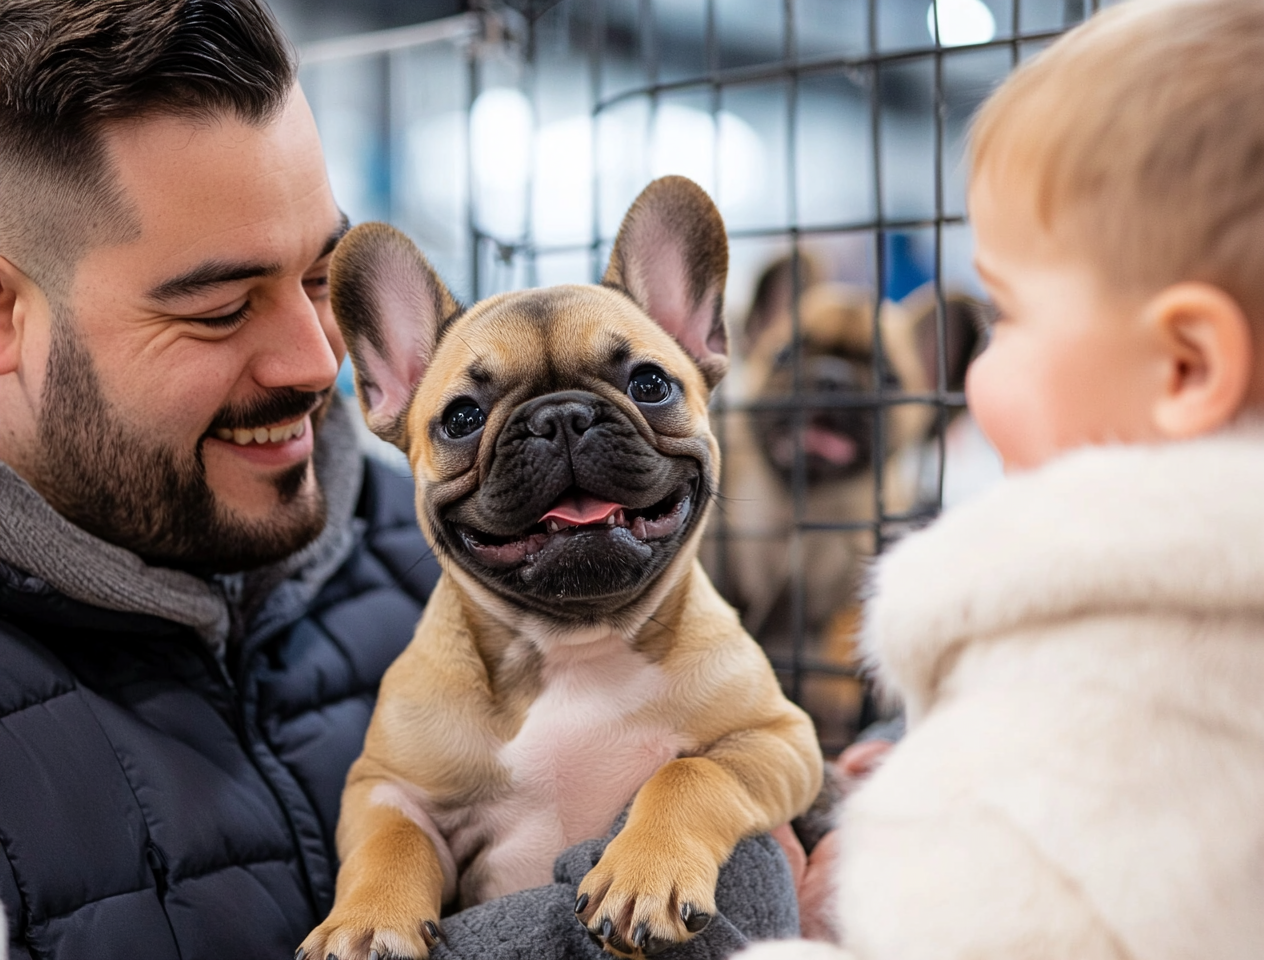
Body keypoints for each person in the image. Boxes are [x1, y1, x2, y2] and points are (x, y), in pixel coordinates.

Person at [0, 3, 798, 959]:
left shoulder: (392, 536)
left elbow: (779, 760)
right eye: (217, 309)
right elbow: (399, 808)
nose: (314, 359)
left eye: (319, 280)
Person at [738, 0, 1264, 957]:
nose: (978, 363)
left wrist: (816, 924)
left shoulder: (1111, 664)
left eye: (1007, 313)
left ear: (1183, 367)